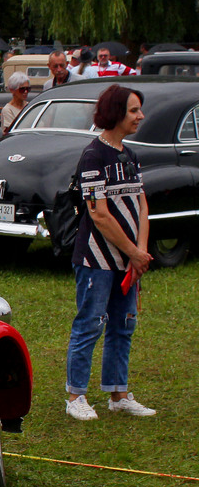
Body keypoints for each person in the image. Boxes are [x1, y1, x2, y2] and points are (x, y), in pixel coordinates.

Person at [65, 84, 155, 420]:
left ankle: (118, 393)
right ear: (116, 112)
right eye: (134, 110)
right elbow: (98, 213)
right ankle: (76, 396)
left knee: (124, 324)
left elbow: (141, 203)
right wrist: (133, 251)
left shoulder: (130, 156)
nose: (140, 116)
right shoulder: (92, 156)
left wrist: (140, 252)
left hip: (129, 260)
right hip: (96, 261)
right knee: (90, 323)